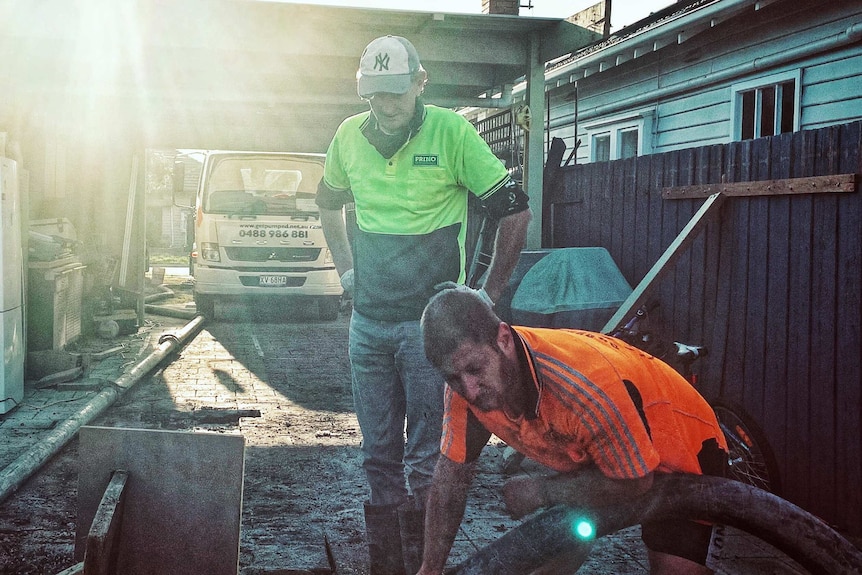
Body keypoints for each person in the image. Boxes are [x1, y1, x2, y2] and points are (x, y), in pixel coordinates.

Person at [315, 35, 532, 575]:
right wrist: (347, 273)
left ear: (419, 83)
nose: (385, 105)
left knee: (424, 457)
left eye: (395, 92)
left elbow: (515, 210)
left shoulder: (452, 132)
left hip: (428, 331)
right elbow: (328, 203)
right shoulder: (348, 136)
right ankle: (385, 567)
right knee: (377, 454)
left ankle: (421, 566)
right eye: (375, 95)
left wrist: (488, 292)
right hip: (367, 323)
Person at [417, 286, 729, 575]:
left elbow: (636, 481)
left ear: (503, 339)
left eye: (475, 369)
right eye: (454, 378)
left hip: (684, 451)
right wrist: (429, 569)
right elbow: (450, 481)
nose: (469, 390)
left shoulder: (582, 391)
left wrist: (542, 491)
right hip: (604, 451)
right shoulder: (466, 387)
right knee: (554, 554)